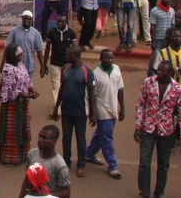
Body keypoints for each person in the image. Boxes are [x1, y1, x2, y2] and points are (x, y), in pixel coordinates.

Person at [135, 60, 181, 198]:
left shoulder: (177, 89)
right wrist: (138, 126)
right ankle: (144, 192)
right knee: (144, 162)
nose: (158, 72)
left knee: (164, 164)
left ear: (170, 73)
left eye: (162, 70)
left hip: (166, 130)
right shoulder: (148, 82)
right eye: (158, 69)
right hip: (148, 128)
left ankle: (159, 192)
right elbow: (140, 104)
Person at [49, 44, 95, 178]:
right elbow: (62, 89)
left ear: (75, 56)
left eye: (68, 54)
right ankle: (66, 163)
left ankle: (81, 164)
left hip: (81, 112)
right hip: (66, 111)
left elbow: (91, 94)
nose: (65, 56)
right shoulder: (65, 68)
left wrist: (93, 114)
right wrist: (56, 108)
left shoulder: (87, 71)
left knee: (80, 139)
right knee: (66, 137)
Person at [84, 48, 124, 180]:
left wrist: (122, 108)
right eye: (106, 58)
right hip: (101, 108)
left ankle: (89, 153)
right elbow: (91, 95)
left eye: (111, 58)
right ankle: (113, 165)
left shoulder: (116, 69)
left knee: (101, 134)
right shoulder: (95, 74)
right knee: (107, 137)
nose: (109, 60)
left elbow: (120, 89)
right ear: (100, 59)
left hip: (113, 107)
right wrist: (93, 113)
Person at [0, 43, 38, 165]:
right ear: (13, 56)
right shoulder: (7, 70)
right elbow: (10, 92)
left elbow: (27, 80)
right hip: (12, 106)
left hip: (22, 105)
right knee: (11, 131)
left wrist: (32, 90)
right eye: (19, 55)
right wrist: (27, 95)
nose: (21, 56)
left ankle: (22, 156)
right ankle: (9, 158)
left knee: (22, 130)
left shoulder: (21, 66)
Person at [20, 126, 69, 198]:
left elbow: (66, 193)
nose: (40, 140)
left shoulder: (60, 165)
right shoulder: (32, 154)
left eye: (44, 138)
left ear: (54, 140)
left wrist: (44, 195)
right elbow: (27, 180)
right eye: (39, 136)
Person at [42, 15, 75, 104]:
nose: (59, 23)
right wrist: (44, 64)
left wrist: (74, 64)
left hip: (67, 64)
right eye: (58, 21)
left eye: (62, 22)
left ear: (66, 22)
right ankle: (57, 107)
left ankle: (66, 103)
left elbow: (75, 49)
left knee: (67, 85)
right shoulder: (51, 32)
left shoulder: (71, 33)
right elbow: (47, 49)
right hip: (54, 63)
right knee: (56, 85)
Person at [7, 11, 44, 79]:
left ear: (31, 19)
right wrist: (3, 64)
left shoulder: (36, 33)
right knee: (16, 84)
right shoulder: (14, 31)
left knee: (29, 84)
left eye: (28, 19)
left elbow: (39, 51)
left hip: (30, 66)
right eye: (25, 18)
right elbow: (7, 48)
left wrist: (42, 66)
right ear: (22, 19)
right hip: (16, 65)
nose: (26, 20)